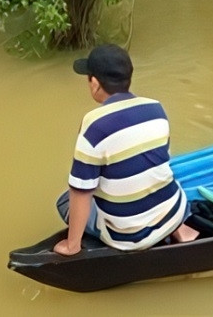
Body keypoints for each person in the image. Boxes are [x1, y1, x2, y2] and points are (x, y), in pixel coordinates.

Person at [53, 45, 200, 255]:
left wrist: (71, 246)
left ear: (94, 84)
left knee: (66, 199)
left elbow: (81, 191)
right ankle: (179, 229)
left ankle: (98, 239)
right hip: (175, 211)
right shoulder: (156, 108)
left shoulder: (93, 125)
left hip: (129, 236)